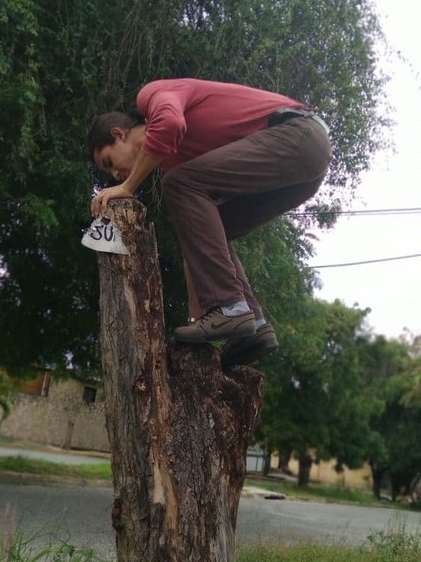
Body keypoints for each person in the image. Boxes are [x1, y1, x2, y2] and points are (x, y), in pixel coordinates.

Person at [87, 78, 331, 367]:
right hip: (304, 170)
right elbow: (200, 237)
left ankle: (229, 307)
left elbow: (169, 124)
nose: (114, 173)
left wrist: (128, 187)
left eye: (108, 161)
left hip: (298, 135)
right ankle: (253, 325)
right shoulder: (175, 163)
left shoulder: (151, 97)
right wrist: (198, 320)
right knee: (210, 228)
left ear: (119, 134)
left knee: (176, 183)